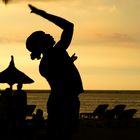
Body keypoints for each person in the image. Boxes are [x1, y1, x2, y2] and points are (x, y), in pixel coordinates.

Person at [26, 4, 84, 140]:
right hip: (65, 102)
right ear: (41, 43)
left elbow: (59, 75)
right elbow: (69, 26)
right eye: (45, 35)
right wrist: (43, 14)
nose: (49, 34)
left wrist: (68, 62)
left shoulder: (49, 58)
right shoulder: (56, 52)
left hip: (60, 101)